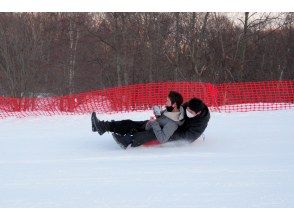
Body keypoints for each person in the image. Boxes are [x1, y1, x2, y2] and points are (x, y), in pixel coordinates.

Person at [91, 91, 185, 149]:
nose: (165, 103)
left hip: (150, 130)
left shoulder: (174, 123)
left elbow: (162, 139)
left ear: (174, 104)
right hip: (149, 124)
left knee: (131, 127)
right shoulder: (171, 110)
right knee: (128, 122)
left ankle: (126, 141)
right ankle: (101, 126)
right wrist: (158, 114)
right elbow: (163, 119)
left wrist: (154, 123)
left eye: (167, 101)